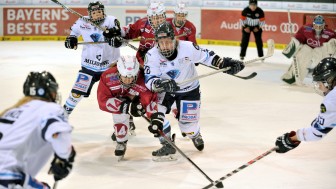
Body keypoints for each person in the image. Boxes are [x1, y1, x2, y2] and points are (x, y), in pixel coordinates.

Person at [144, 22, 245, 157]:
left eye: (168, 42)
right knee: (156, 118)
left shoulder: (187, 48)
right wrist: (160, 84)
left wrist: (224, 63)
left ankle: (195, 134)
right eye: (161, 43)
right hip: (166, 92)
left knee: (188, 127)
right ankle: (167, 144)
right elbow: (149, 80)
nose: (165, 46)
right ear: (157, 43)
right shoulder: (151, 55)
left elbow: (207, 56)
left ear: (175, 39)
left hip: (189, 90)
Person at [0, 71, 76, 189]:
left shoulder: (10, 112)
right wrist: (65, 157)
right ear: (48, 92)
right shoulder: (50, 108)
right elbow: (59, 134)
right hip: (7, 176)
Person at [97, 55, 168, 161]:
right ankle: (121, 141)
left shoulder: (143, 78)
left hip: (135, 98)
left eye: (131, 77)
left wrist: (154, 117)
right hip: (119, 100)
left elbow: (150, 100)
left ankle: (130, 121)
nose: (128, 81)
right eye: (125, 76)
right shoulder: (107, 76)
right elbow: (102, 100)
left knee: (144, 111)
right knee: (119, 118)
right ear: (118, 72)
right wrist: (124, 106)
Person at [275, 57, 336, 153]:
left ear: (329, 79)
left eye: (320, 82)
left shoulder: (332, 100)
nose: (319, 86)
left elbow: (317, 133)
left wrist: (292, 139)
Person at [281, 15, 336, 85]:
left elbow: (333, 43)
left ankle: (325, 79)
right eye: (316, 26)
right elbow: (298, 39)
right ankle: (292, 76)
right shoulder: (305, 29)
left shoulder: (330, 33)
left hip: (320, 52)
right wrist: (292, 46)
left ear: (324, 25)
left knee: (324, 57)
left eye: (320, 26)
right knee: (303, 53)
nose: (318, 28)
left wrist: (333, 43)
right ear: (313, 25)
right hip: (308, 50)